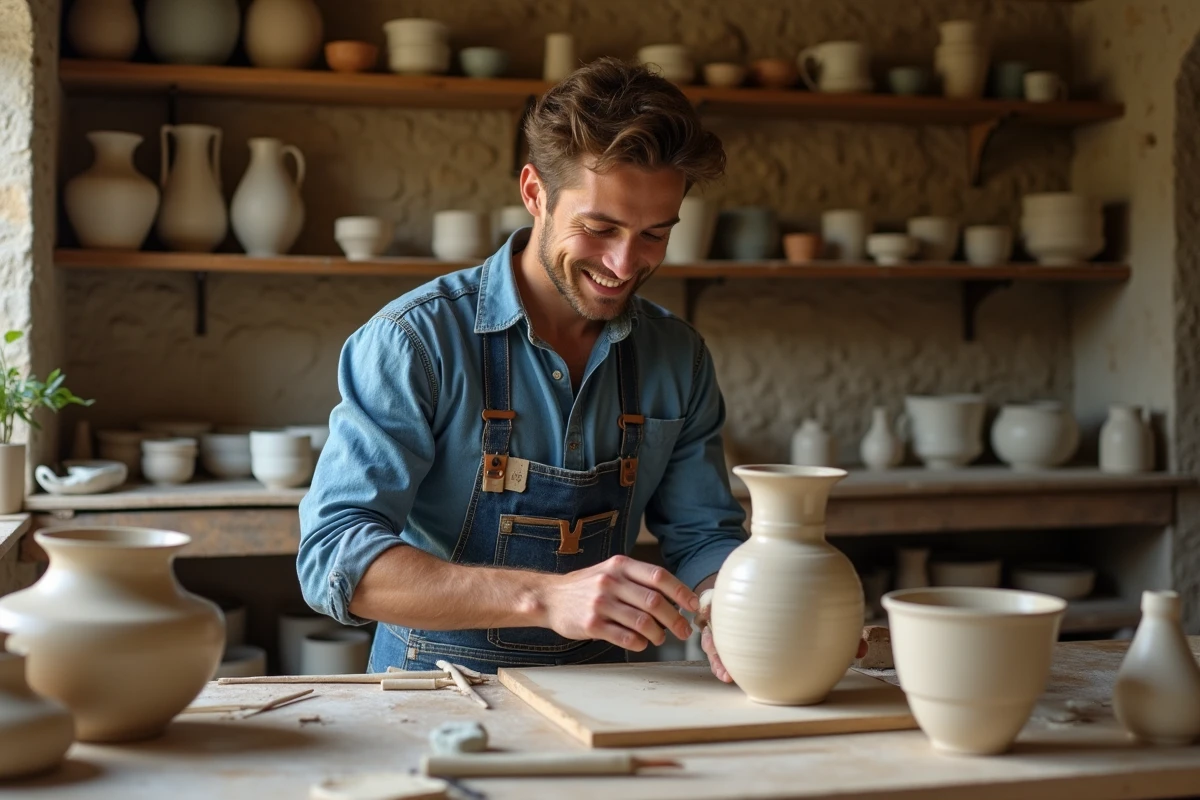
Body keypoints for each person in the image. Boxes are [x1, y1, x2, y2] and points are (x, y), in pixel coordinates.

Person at [299, 57, 755, 679]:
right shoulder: (415, 341)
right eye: (599, 228)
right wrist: (543, 597)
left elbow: (704, 537)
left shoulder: (676, 356)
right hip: (434, 694)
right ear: (535, 193)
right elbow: (334, 559)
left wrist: (742, 603)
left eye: (654, 234)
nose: (624, 264)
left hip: (609, 693)